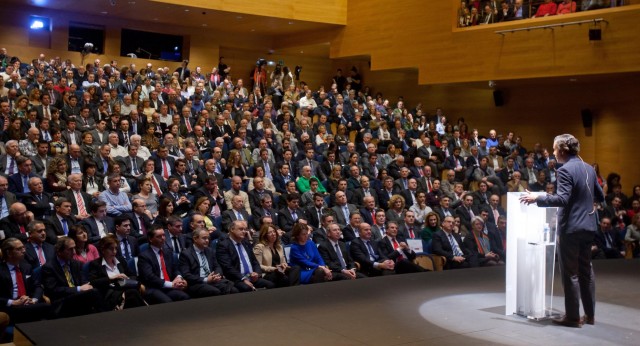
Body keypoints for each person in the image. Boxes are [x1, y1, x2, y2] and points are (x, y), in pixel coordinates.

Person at [520, 134, 604, 328]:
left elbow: (562, 199)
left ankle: (573, 318)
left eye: (555, 149)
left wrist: (537, 198)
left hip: (571, 228)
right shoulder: (589, 168)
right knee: (586, 271)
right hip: (589, 226)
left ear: (563, 150)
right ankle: (590, 316)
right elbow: (600, 195)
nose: (554, 153)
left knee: (571, 273)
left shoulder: (565, 170)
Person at [41, 236, 101, 317]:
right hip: (62, 301)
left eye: (74, 248)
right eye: (70, 249)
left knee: (94, 290)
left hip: (78, 297)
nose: (74, 252)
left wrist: (87, 286)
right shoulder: (49, 267)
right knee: (93, 293)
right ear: (59, 251)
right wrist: (78, 289)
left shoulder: (76, 264)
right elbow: (53, 290)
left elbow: (83, 281)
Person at [88, 235, 146, 310]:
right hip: (110, 294)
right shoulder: (95, 264)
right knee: (133, 293)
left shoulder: (120, 260)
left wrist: (126, 278)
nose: (114, 251)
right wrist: (112, 278)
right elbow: (93, 282)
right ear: (103, 250)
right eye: (111, 249)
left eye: (116, 248)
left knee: (132, 294)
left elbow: (133, 276)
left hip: (125, 289)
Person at [215, 220, 275, 292]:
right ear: (232, 229)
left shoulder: (246, 242)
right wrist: (243, 279)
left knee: (270, 285)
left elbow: (254, 261)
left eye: (245, 229)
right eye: (241, 229)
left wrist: (257, 273)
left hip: (252, 277)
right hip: (236, 279)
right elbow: (227, 267)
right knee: (246, 288)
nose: (244, 231)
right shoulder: (223, 245)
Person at [137, 227, 190, 304]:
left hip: (169, 286)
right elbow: (150, 277)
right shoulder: (144, 256)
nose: (163, 238)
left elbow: (175, 269)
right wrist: (171, 284)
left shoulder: (168, 252)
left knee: (185, 297)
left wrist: (179, 278)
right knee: (167, 302)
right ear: (150, 239)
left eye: (164, 235)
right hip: (154, 288)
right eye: (159, 236)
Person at [178, 228, 238, 298]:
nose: (207, 241)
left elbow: (217, 266)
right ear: (195, 239)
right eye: (204, 238)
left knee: (234, 290)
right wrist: (206, 279)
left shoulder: (210, 251)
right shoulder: (186, 254)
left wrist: (216, 275)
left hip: (212, 280)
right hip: (197, 283)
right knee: (215, 291)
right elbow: (186, 275)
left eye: (208, 238)